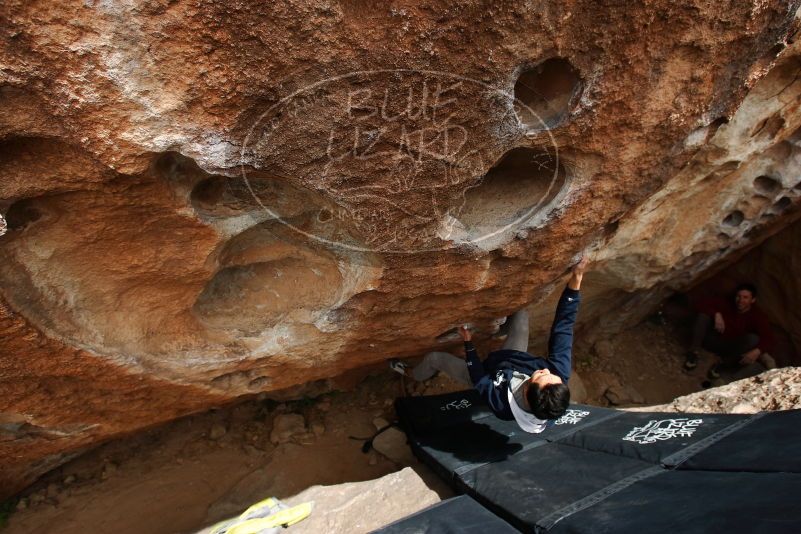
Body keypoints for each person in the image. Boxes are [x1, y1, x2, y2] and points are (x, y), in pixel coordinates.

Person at [392, 257, 587, 433]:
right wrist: (576, 281)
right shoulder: (556, 374)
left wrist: (469, 345)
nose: (546, 370)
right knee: (521, 315)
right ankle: (497, 330)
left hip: (485, 372)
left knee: (434, 359)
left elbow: (479, 379)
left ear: (527, 391)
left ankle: (413, 373)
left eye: (542, 376)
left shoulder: (501, 403)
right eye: (554, 377)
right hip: (511, 359)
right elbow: (564, 330)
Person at [683, 283, 776, 378]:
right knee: (703, 316)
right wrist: (716, 314)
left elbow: (768, 338)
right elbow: (700, 303)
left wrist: (757, 351)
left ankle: (722, 365)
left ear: (753, 300)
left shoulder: (757, 316)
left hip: (729, 348)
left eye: (745, 297)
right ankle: (693, 352)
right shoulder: (727, 303)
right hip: (711, 339)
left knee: (753, 339)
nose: (740, 300)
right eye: (738, 296)